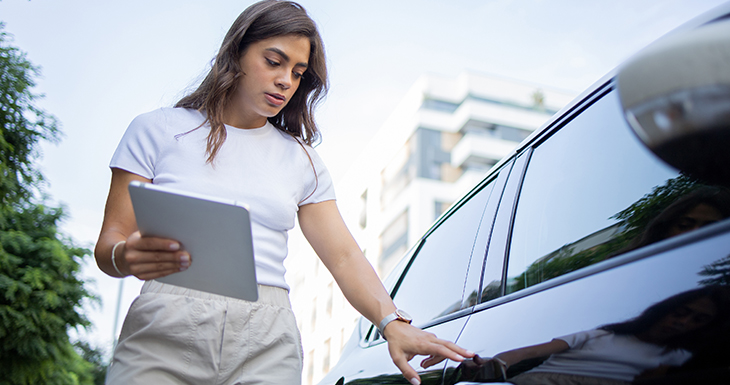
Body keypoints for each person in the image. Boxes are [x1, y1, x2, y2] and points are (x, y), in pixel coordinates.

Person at [94, 1, 473, 384]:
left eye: (297, 72)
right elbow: (109, 243)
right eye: (273, 62)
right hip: (165, 327)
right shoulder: (156, 130)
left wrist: (392, 322)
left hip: (265, 339)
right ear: (235, 53)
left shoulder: (302, 161)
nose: (285, 81)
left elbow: (342, 256)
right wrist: (125, 256)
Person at [484, 286, 730, 385]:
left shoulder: (679, 357)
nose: (684, 322)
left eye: (699, 319)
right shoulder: (599, 335)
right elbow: (529, 352)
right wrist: (497, 364)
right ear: (665, 309)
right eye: (682, 312)